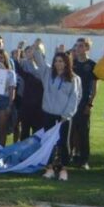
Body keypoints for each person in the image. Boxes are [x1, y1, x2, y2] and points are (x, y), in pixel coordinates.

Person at [29, 42, 82, 181]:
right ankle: (50, 168)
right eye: (56, 61)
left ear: (67, 63)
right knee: (48, 142)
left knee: (63, 142)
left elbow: (75, 98)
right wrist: (36, 48)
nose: (58, 64)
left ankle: (64, 169)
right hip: (48, 113)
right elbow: (39, 61)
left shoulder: (74, 79)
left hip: (64, 116)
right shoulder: (47, 73)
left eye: (61, 61)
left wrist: (67, 115)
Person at [70, 38, 97, 169]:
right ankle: (70, 155)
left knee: (83, 132)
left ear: (87, 48)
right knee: (70, 130)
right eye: (76, 46)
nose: (78, 48)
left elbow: (94, 87)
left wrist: (89, 104)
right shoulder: (72, 64)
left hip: (84, 103)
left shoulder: (92, 65)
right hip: (71, 103)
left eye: (81, 46)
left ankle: (84, 159)